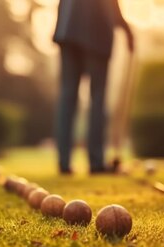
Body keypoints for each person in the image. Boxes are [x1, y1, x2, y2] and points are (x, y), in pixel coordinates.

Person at [53, 0, 134, 175]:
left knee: (67, 97)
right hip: (96, 31)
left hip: (67, 29)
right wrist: (125, 28)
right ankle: (96, 162)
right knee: (97, 98)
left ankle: (63, 162)